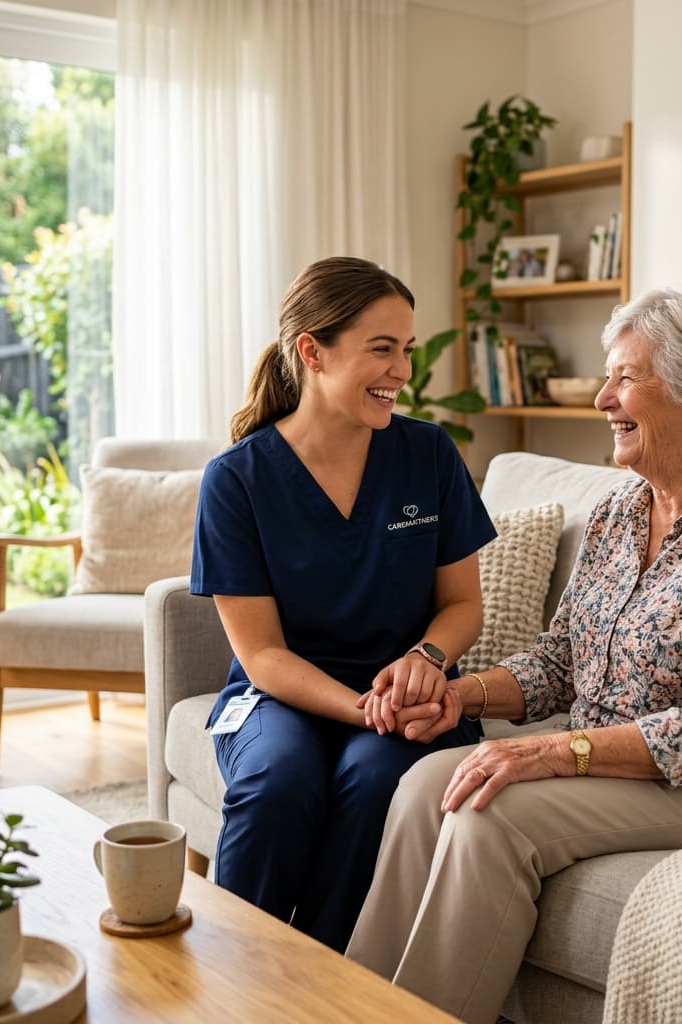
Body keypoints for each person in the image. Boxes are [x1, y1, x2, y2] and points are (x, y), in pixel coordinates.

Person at [346, 284, 682, 1023]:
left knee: (488, 815)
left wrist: (548, 753)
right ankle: (348, 1010)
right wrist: (457, 694)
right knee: (421, 787)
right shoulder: (619, 511)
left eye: (626, 377)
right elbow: (559, 662)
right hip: (612, 761)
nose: (603, 397)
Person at [190, 256, 496, 952]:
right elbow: (262, 654)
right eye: (381, 350)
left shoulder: (429, 455)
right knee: (278, 784)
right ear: (313, 352)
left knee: (376, 778)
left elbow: (462, 605)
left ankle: (325, 985)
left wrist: (427, 657)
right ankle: (229, 981)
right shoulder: (235, 481)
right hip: (282, 695)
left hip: (406, 697)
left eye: (407, 351)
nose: (402, 373)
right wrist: (361, 707)